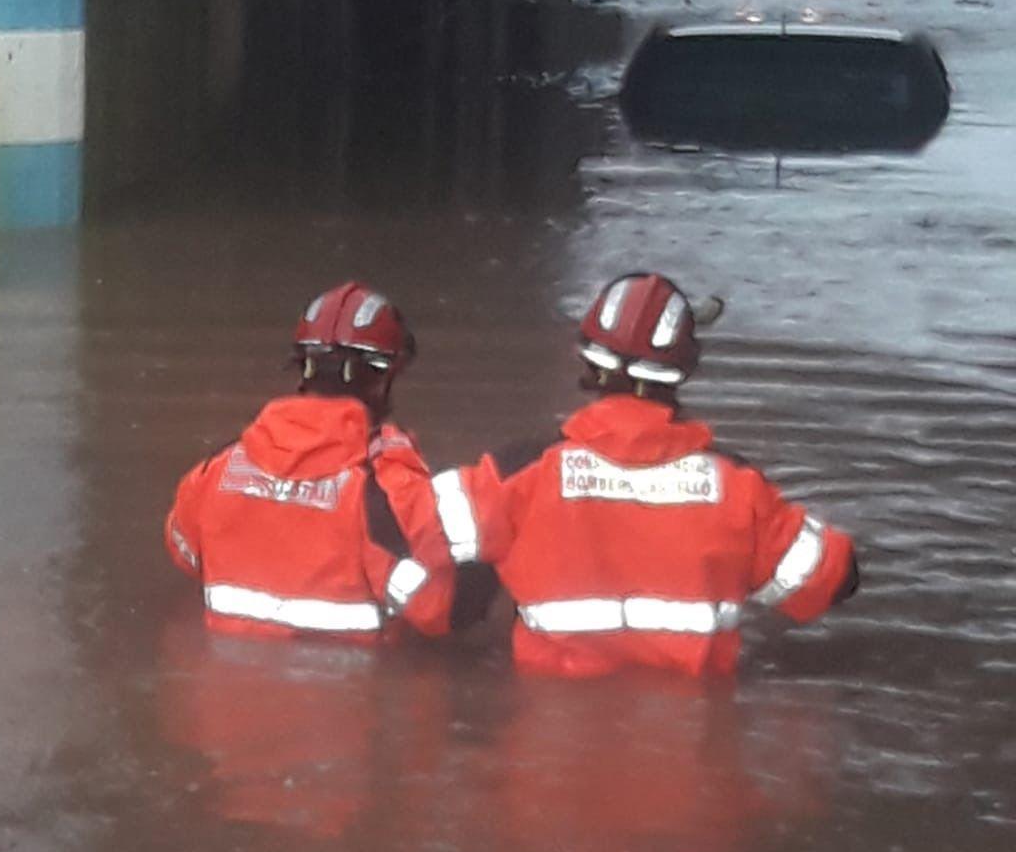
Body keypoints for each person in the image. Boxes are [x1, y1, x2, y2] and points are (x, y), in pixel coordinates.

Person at [430, 272, 858, 677]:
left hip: (548, 733)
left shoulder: (518, 474)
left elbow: (406, 535)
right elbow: (835, 580)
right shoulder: (738, 487)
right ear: (684, 368)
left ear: (588, 361)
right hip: (694, 738)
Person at [165, 282, 456, 641]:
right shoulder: (390, 486)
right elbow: (434, 607)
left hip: (224, 690)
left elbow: (185, 551)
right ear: (385, 378)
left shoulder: (217, 470)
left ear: (303, 368)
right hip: (353, 690)